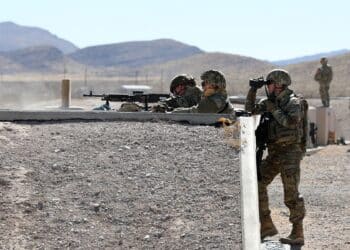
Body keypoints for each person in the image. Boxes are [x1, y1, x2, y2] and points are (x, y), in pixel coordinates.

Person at [245, 69, 306, 245]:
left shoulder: (294, 102)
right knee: (257, 183)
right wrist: (253, 90)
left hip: (290, 153)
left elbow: (290, 121)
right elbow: (250, 110)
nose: (268, 87)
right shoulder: (269, 102)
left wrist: (273, 109)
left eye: (269, 84)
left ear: (278, 85)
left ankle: (297, 232)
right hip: (275, 153)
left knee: (291, 194)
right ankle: (266, 224)